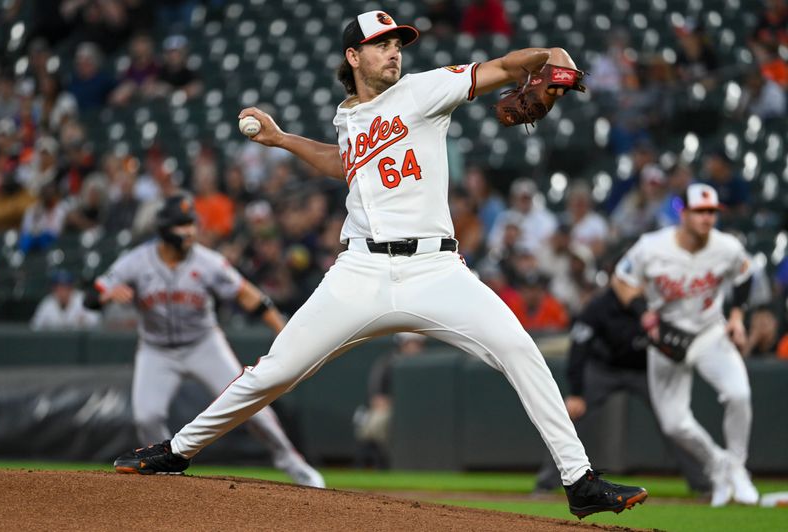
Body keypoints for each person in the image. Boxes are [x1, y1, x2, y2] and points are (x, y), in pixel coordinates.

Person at [113, 10, 647, 517]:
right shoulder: (348, 116)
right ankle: (177, 451)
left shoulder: (424, 89)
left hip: (436, 271)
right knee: (274, 373)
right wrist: (279, 140)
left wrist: (553, 54)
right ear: (353, 56)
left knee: (519, 350)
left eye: (396, 44)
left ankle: (579, 482)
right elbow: (343, 161)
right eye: (381, 45)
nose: (393, 53)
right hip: (360, 273)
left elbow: (509, 67)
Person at [87, 194, 324, 488]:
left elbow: (247, 294)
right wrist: (105, 296)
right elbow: (92, 294)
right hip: (155, 350)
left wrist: (284, 330)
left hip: (204, 344)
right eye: (181, 225)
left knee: (255, 408)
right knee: (147, 415)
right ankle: (163, 470)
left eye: (190, 224)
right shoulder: (135, 262)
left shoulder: (209, 262)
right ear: (163, 229)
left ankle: (295, 465)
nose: (188, 231)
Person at [611, 183, 759, 507]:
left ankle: (736, 467)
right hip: (666, 337)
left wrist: (736, 317)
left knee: (739, 394)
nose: (707, 218)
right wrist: (643, 314)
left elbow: (745, 274)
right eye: (701, 211)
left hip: (709, 332)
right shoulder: (652, 247)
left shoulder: (727, 247)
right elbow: (621, 280)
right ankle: (717, 466)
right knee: (674, 424)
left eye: (712, 212)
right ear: (685, 213)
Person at [534, 287, 709, 494]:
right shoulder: (599, 306)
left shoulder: (656, 304)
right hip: (603, 370)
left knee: (673, 421)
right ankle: (546, 484)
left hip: (645, 372)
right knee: (571, 418)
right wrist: (576, 392)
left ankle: (702, 484)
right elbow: (579, 348)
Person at [353, 332, 426, 469]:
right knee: (375, 423)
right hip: (391, 409)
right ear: (401, 344)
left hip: (419, 413)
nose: (413, 347)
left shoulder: (427, 364)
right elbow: (377, 398)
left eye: (417, 343)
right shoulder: (387, 363)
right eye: (410, 343)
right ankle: (384, 460)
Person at [30, 269, 101, 330]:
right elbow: (34, 327)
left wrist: (86, 322)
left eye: (65, 287)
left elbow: (97, 321)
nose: (62, 291)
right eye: (59, 287)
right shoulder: (48, 303)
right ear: (54, 289)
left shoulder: (83, 299)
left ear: (71, 288)